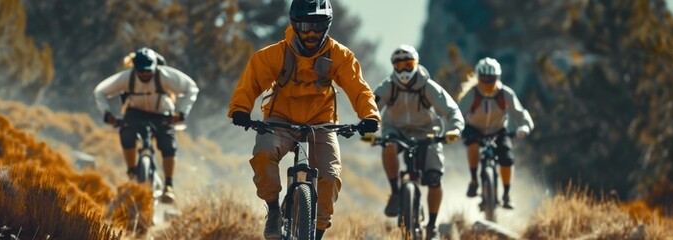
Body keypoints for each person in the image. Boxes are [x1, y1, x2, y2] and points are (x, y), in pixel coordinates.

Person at [228, 0, 380, 238]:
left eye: (317, 26)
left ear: (327, 26)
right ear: (294, 24)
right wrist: (240, 109)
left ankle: (317, 231)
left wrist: (369, 115)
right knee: (264, 154)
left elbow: (358, 88)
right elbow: (252, 81)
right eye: (305, 25)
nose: (311, 33)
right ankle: (274, 210)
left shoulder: (340, 55)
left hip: (321, 123)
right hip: (280, 120)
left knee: (330, 176)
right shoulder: (275, 54)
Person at [372, 44, 464, 239]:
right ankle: (395, 193)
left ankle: (432, 225)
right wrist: (367, 126)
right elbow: (370, 107)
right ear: (394, 67)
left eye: (408, 64)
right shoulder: (388, 86)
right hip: (396, 130)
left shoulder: (428, 86)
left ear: (416, 64)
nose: (404, 70)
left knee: (434, 178)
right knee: (388, 145)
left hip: (427, 132)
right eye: (399, 66)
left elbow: (452, 110)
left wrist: (455, 128)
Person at [93, 47, 199, 203]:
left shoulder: (165, 75)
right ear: (135, 68)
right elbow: (100, 91)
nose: (145, 74)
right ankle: (131, 174)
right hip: (135, 113)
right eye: (141, 71)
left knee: (168, 145)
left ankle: (168, 186)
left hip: (162, 114)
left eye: (148, 71)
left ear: (155, 67)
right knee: (126, 133)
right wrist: (107, 114)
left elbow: (192, 88)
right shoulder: (126, 77)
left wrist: (182, 113)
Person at [458, 57, 534, 209]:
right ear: (478, 77)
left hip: (498, 130)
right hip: (474, 129)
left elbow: (521, 113)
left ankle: (506, 194)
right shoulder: (472, 94)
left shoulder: (505, 94)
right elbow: (457, 114)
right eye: (484, 79)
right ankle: (474, 180)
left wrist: (525, 127)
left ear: (497, 77)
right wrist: (456, 130)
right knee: (472, 144)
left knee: (507, 158)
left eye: (491, 79)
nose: (487, 83)